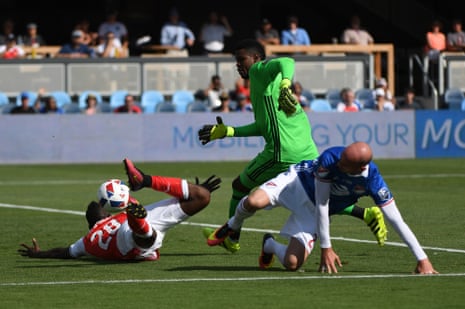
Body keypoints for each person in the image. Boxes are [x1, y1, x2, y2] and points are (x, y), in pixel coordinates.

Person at [198, 39, 386, 253]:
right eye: (236, 61)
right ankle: (366, 213)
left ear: (256, 59)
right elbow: (263, 126)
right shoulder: (263, 84)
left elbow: (286, 61)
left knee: (240, 187)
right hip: (306, 150)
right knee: (316, 195)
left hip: (281, 153)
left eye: (242, 60)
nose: (238, 65)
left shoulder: (260, 70)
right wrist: (229, 131)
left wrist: (286, 82)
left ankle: (232, 237)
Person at [207, 142, 438, 275]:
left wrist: (422, 259)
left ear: (361, 168)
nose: (339, 164)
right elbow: (323, 202)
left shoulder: (374, 182)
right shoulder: (330, 159)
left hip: (311, 211)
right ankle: (232, 225)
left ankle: (269, 244)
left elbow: (397, 220)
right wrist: (326, 248)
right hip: (296, 183)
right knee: (253, 202)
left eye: (345, 164)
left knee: (292, 264)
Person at [18, 158, 221, 262]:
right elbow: (64, 253)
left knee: (144, 236)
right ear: (106, 213)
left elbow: (64, 253)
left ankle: (138, 215)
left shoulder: (87, 241)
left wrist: (39, 254)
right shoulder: (94, 234)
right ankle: (145, 184)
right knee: (201, 196)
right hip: (127, 229)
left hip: (126, 237)